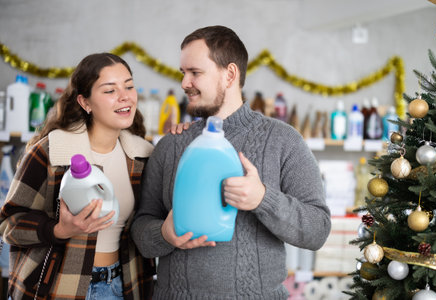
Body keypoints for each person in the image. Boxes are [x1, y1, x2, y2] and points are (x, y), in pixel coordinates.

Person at [131, 25, 331, 299]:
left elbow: (317, 230)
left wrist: (263, 199)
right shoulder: (172, 144)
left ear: (230, 74)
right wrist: (163, 234)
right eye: (183, 73)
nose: (184, 83)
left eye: (195, 73)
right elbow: (141, 229)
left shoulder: (283, 140)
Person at [0, 53, 155, 299]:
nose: (125, 96)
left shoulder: (143, 157)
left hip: (122, 287)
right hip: (58, 288)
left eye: (129, 86)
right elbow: (9, 224)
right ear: (85, 102)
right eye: (109, 90)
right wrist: (58, 230)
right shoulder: (52, 151)